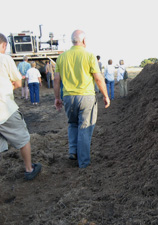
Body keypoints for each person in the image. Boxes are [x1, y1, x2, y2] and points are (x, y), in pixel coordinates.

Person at [54, 30, 110, 168]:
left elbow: (56, 80)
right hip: (86, 97)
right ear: (84, 41)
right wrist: (105, 95)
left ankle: (73, 151)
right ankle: (84, 162)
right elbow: (98, 78)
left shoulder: (62, 57)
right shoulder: (89, 56)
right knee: (84, 127)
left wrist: (57, 98)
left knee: (72, 123)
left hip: (68, 97)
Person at [0, 33, 42, 180]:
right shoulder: (4, 58)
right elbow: (18, 83)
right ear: (4, 45)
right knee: (23, 138)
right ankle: (29, 169)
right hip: (4, 109)